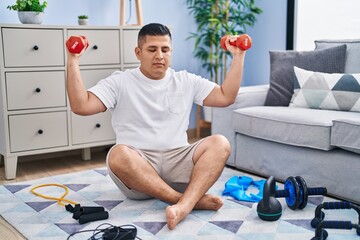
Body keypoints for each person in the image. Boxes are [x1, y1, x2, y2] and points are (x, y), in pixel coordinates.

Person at [66, 23, 246, 230]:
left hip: (179, 163)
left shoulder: (185, 80)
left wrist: (239, 55)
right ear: (138, 52)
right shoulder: (120, 82)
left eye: (165, 49)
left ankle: (183, 205)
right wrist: (73, 59)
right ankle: (186, 201)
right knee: (117, 154)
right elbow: (80, 105)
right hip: (138, 172)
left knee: (220, 143)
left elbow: (226, 97)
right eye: (152, 49)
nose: (159, 55)